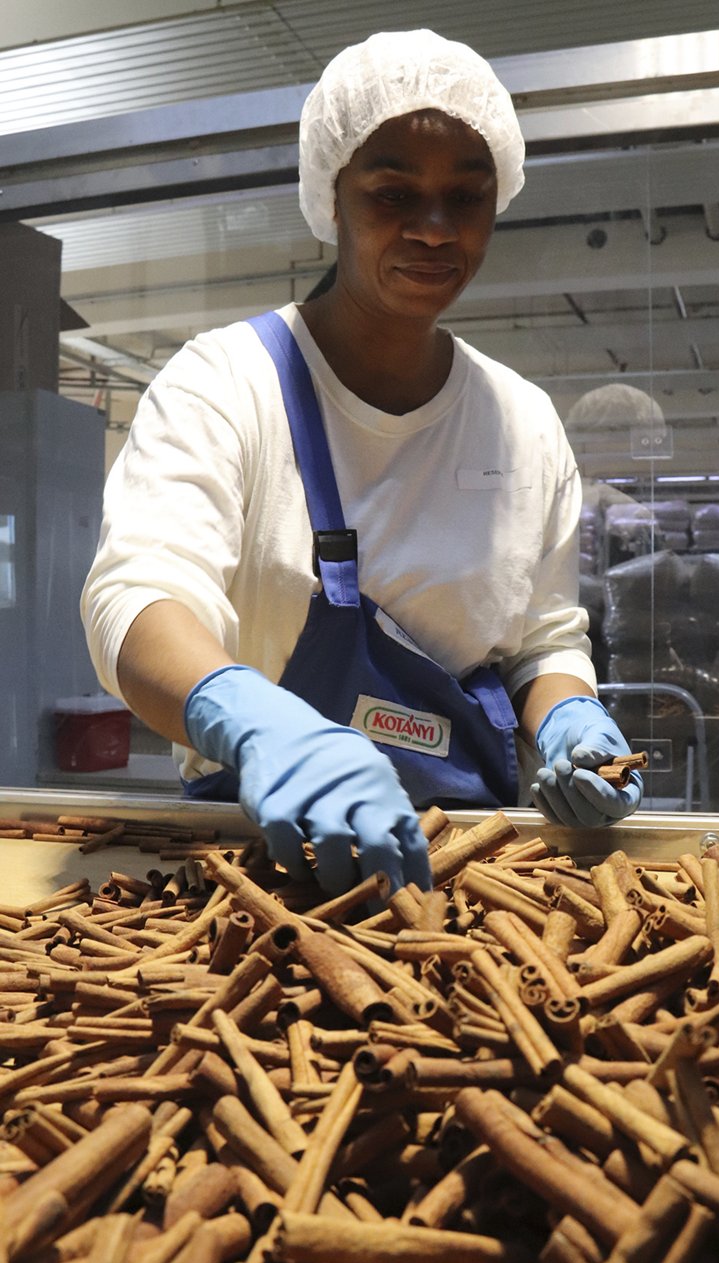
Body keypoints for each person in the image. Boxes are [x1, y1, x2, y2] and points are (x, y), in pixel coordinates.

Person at [81, 28, 643, 898]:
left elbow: (541, 639)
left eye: (468, 194)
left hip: (468, 880)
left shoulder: (523, 425)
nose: (434, 228)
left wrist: (571, 710)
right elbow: (138, 596)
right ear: (330, 198)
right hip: (258, 873)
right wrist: (251, 719)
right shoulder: (227, 383)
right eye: (392, 193)